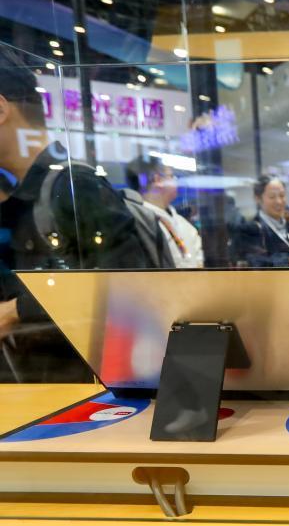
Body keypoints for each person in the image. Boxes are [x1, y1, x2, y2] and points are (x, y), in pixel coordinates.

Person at [0, 47, 154, 382]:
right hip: (46, 393)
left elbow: (128, 286)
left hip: (91, 393)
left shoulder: (73, 185)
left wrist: (17, 310)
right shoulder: (20, 196)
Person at [125, 155, 203, 269]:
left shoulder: (181, 222)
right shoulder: (139, 222)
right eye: (171, 176)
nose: (176, 181)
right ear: (158, 180)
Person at [235, 175, 289, 268]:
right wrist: (287, 261)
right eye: (272, 197)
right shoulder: (249, 230)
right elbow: (255, 261)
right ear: (258, 198)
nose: (279, 201)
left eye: (282, 195)